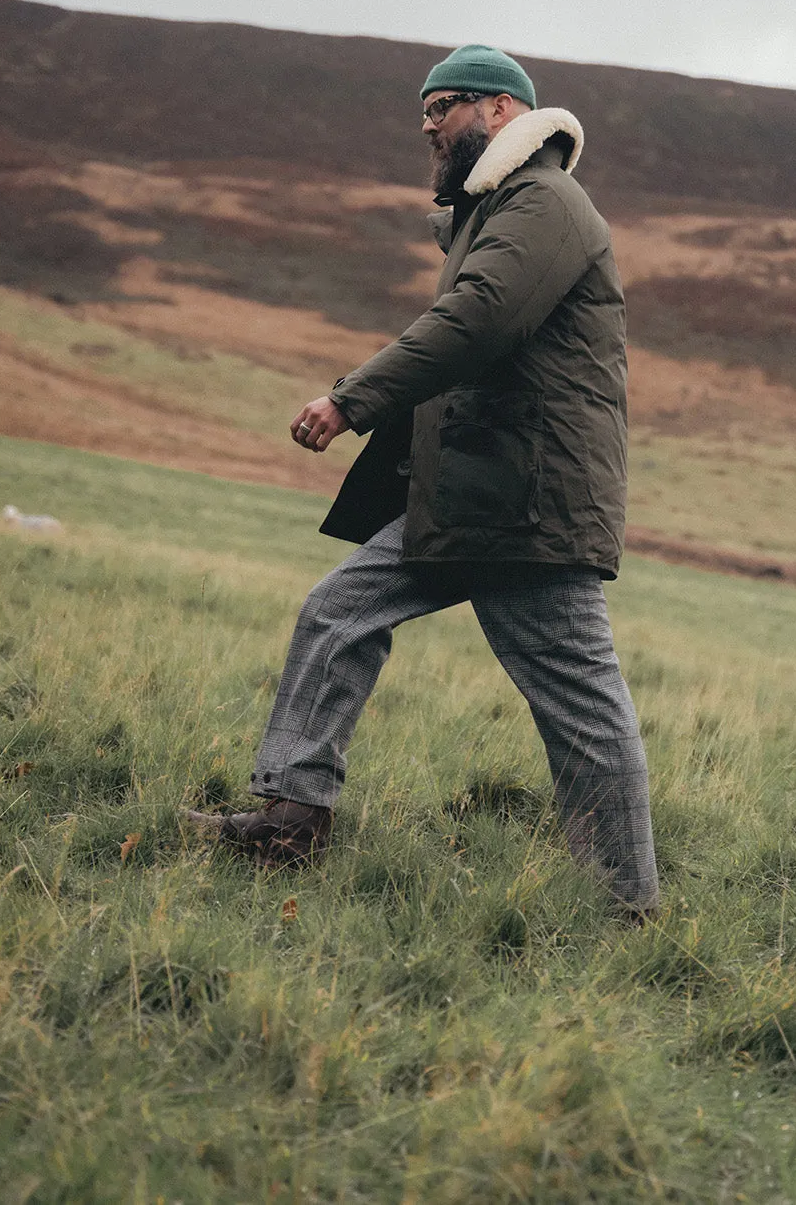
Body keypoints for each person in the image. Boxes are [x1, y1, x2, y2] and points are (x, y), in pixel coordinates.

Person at [187, 45, 659, 914]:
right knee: (338, 612)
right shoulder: (500, 211)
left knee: (580, 707)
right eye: (425, 110)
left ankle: (625, 905)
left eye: (443, 105)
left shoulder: (546, 201)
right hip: (468, 498)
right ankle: (293, 819)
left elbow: (475, 322)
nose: (428, 124)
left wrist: (350, 400)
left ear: (504, 112)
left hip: (526, 505)